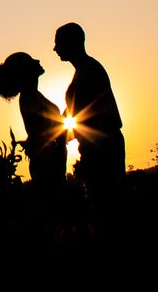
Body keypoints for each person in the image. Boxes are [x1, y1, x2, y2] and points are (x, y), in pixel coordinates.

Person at [53, 22, 125, 199]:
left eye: (58, 43)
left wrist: (57, 139)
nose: (55, 49)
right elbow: (72, 112)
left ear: (72, 43)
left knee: (107, 203)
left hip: (103, 150)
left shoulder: (89, 71)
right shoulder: (83, 70)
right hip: (96, 147)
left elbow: (86, 117)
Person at [0, 52, 66, 188]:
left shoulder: (32, 96)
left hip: (48, 162)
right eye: (31, 60)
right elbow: (50, 133)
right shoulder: (30, 98)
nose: (38, 60)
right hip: (47, 165)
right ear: (25, 72)